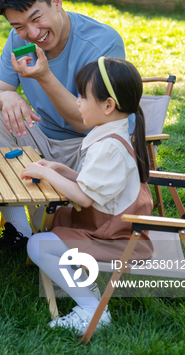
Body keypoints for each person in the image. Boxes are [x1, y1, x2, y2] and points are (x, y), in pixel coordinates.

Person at [0, 0, 129, 261]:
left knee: (94, 162)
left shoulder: (102, 44)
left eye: (36, 19)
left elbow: (89, 122)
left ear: (56, 1)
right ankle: (19, 230)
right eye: (19, 26)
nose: (32, 34)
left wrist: (44, 76)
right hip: (43, 139)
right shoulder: (17, 39)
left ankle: (56, 228)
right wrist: (8, 95)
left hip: (91, 147)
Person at [21, 57, 153, 335]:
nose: (77, 102)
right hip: (107, 226)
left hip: (118, 238)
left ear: (108, 106)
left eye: (82, 96)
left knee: (38, 245)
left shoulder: (109, 147)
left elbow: (83, 198)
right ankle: (86, 287)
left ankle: (93, 309)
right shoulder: (108, 136)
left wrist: (48, 175)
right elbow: (93, 184)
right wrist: (61, 169)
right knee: (43, 220)